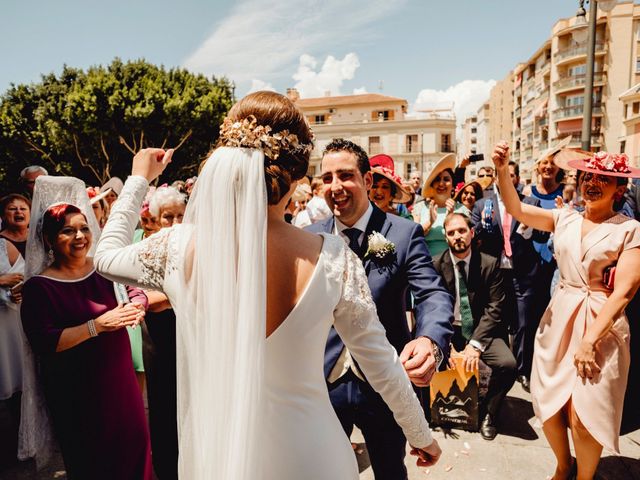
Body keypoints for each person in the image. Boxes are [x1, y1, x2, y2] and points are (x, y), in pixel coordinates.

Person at [94, 91, 441, 480]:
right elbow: (381, 362)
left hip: (223, 456)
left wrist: (139, 179)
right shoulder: (333, 257)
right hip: (315, 455)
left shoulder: (179, 247)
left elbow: (105, 257)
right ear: (296, 176)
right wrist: (420, 434)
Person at [492, 143, 640, 480]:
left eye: (603, 178)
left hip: (601, 325)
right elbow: (515, 208)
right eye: (588, 175)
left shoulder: (630, 230)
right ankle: (563, 465)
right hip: (558, 319)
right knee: (551, 408)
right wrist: (502, 170)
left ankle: (585, 477)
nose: (592, 182)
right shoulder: (564, 217)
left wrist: (590, 339)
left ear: (619, 189)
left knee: (584, 416)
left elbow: (625, 290)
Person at [309, 138, 452, 479]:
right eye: (327, 178)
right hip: (323, 380)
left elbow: (432, 294)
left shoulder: (403, 234)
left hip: (385, 380)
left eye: (345, 175)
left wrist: (429, 339)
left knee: (389, 469)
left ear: (367, 181)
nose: (335, 186)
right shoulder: (308, 237)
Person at [20, 176, 152, 480]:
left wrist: (138, 306)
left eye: (83, 228)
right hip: (77, 392)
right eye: (68, 231)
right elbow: (44, 342)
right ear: (50, 240)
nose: (80, 236)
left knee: (135, 447)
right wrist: (97, 325)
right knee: (93, 459)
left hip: (120, 383)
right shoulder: (40, 287)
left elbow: (136, 290)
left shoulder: (104, 267)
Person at [433, 213, 516, 441]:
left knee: (508, 365)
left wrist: (476, 345)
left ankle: (489, 413)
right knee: (426, 358)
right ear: (445, 237)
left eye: (461, 231)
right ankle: (432, 410)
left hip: (481, 330)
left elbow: (495, 308)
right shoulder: (436, 265)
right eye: (451, 233)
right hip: (450, 330)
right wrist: (443, 341)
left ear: (471, 232)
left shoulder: (490, 263)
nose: (457, 236)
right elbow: (433, 307)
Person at [472, 162, 542, 393]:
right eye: (503, 175)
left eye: (511, 175)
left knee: (523, 322)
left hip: (523, 272)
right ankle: (501, 366)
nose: (507, 179)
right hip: (496, 272)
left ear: (517, 178)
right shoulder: (484, 204)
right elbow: (475, 236)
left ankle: (523, 370)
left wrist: (530, 227)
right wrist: (482, 225)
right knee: (497, 317)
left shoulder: (530, 203)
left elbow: (542, 235)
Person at [415, 154, 470, 257]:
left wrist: (450, 218)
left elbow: (467, 241)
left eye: (446, 179)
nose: (441, 183)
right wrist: (430, 222)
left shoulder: (462, 210)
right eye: (437, 179)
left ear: (453, 185)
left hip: (453, 264)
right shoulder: (420, 207)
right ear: (432, 184)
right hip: (425, 263)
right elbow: (413, 236)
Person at [0, 237, 25, 463]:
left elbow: (22, 276)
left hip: (8, 322)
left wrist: (18, 290)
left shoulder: (4, 246)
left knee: (13, 375)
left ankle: (19, 440)